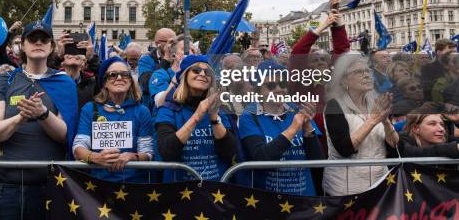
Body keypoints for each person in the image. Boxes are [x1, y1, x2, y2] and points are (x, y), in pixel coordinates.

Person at [0, 20, 77, 220]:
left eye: (44, 39)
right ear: (23, 45)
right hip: (5, 189)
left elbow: (65, 135)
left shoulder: (64, 82)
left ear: (51, 47)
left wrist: (43, 114)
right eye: (32, 39)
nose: (38, 43)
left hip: (50, 187)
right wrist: (20, 118)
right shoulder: (5, 79)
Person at [239, 60, 323, 196]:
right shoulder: (249, 116)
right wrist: (293, 129)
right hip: (270, 200)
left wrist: (308, 128)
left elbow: (317, 160)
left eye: (283, 84)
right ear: (258, 90)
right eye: (271, 85)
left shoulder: (297, 110)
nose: (278, 89)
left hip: (304, 197)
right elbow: (260, 157)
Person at [323, 53, 399, 196]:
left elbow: (394, 145)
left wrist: (386, 122)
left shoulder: (375, 102)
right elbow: (344, 149)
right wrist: (372, 120)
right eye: (358, 72)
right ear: (344, 80)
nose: (366, 75)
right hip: (345, 188)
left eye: (367, 71)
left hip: (380, 184)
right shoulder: (334, 105)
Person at [156, 55, 236, 181]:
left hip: (215, 188)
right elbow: (166, 151)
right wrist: (197, 116)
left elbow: (230, 152)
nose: (203, 74)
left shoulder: (220, 108)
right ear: (184, 75)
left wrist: (214, 118)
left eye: (208, 71)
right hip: (180, 189)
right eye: (196, 70)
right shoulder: (168, 109)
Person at [73, 57, 153, 182]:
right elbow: (78, 147)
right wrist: (96, 157)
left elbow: (147, 152)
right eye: (113, 75)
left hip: (134, 184)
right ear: (104, 82)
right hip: (98, 185)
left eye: (125, 75)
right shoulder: (89, 109)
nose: (119, 78)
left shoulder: (142, 111)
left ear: (131, 81)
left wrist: (133, 156)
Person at [149, 35, 195, 110]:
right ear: (173, 56)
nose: (190, 53)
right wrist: (180, 72)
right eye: (185, 49)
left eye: (193, 51)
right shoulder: (160, 75)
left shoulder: (197, 76)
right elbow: (160, 102)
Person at [137, 28, 176, 101]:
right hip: (152, 105)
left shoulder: (177, 59)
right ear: (157, 43)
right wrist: (166, 59)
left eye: (175, 42)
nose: (173, 45)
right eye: (170, 42)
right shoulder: (145, 60)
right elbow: (146, 84)